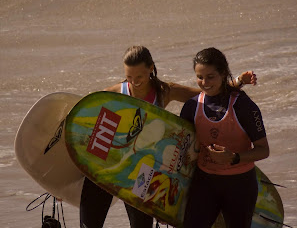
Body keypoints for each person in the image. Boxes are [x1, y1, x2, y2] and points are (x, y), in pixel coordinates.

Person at [80, 46, 257, 228]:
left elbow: (208, 94)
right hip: (108, 165)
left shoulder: (164, 91)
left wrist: (238, 82)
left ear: (151, 69)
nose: (134, 82)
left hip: (141, 171)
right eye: (129, 77)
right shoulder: (113, 94)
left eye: (139, 77)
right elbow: (81, 125)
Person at [180, 47, 269, 228]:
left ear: (223, 73)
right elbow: (181, 149)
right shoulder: (191, 107)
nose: (204, 82)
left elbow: (263, 150)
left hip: (240, 186)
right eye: (199, 77)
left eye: (210, 76)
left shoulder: (244, 106)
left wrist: (234, 157)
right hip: (204, 183)